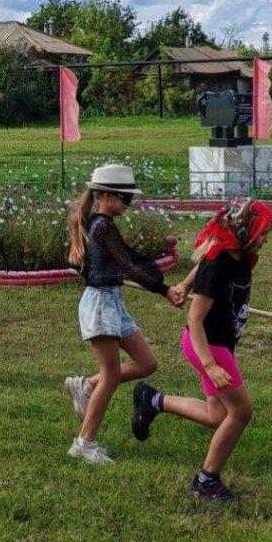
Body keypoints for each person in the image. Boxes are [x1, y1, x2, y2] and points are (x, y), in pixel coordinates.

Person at [132, 198, 272, 504]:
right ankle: (206, 481)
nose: (265, 239)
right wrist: (210, 365)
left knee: (217, 415)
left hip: (218, 343)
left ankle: (153, 400)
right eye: (262, 232)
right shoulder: (220, 263)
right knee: (240, 413)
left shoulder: (234, 254)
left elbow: (203, 262)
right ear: (244, 227)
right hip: (209, 345)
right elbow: (194, 318)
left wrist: (184, 284)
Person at [61, 164, 185, 464]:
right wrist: (162, 289)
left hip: (113, 302)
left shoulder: (103, 224)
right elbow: (128, 266)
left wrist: (158, 273)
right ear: (106, 195)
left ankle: (86, 385)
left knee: (147, 363)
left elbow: (129, 257)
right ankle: (84, 443)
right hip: (101, 305)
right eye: (125, 199)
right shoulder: (101, 225)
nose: (129, 205)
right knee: (112, 375)